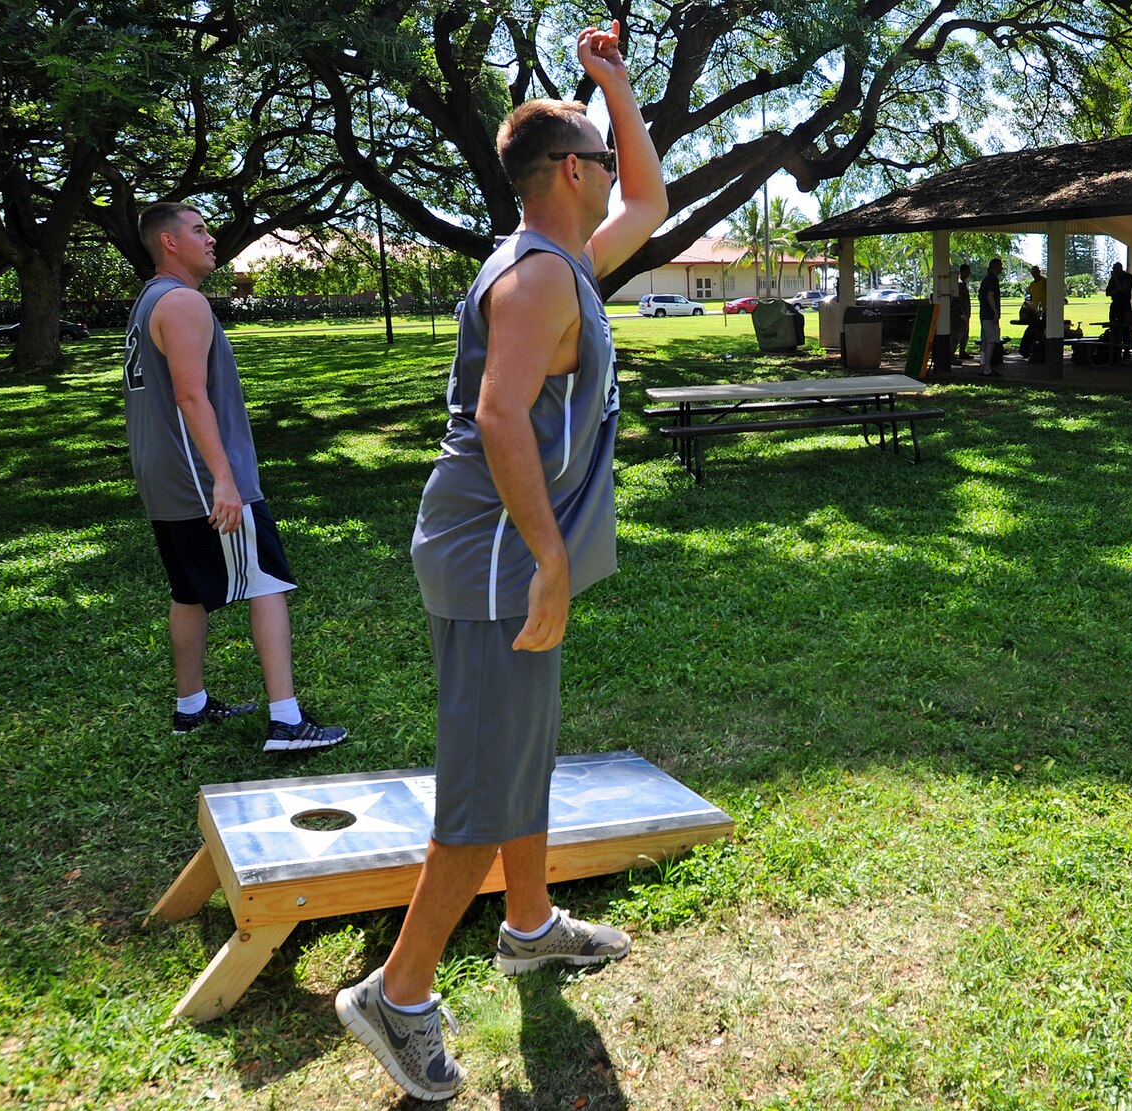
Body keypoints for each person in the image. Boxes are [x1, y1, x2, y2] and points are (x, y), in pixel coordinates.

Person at [334, 24, 668, 1102]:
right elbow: (498, 417)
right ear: (569, 173)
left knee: (521, 749)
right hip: (494, 562)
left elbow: (650, 208)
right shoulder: (536, 281)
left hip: (508, 556)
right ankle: (396, 993)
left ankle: (526, 926)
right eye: (605, 156)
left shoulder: (565, 261)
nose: (618, 172)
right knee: (480, 788)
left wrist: (613, 89)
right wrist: (548, 561)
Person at [123, 202, 348, 753]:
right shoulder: (182, 302)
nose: (211, 238)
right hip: (203, 478)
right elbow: (189, 395)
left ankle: (191, 706)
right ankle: (286, 721)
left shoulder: (148, 301)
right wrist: (225, 480)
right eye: (199, 230)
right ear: (169, 243)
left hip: (165, 479)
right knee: (266, 582)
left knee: (188, 592)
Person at [977, 257, 1003, 374]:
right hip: (990, 315)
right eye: (1000, 266)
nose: (1002, 268)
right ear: (995, 267)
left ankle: (982, 366)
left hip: (983, 314)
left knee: (984, 341)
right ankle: (987, 368)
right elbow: (990, 295)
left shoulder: (985, 280)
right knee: (991, 341)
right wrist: (996, 312)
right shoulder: (993, 280)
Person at [1105, 261, 1132, 361]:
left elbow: (1124, 289)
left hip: (1125, 304)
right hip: (1115, 304)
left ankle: (1126, 351)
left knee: (1126, 328)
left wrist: (1116, 282)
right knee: (1113, 327)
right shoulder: (1112, 279)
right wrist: (1117, 288)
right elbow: (1107, 292)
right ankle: (1115, 351)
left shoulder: (1128, 277)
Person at [951, 262, 971, 361]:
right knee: (958, 334)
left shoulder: (963, 284)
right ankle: (951, 352)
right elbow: (958, 300)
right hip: (961, 314)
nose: (969, 274)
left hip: (966, 313)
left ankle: (962, 351)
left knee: (965, 333)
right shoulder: (958, 285)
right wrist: (962, 313)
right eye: (967, 271)